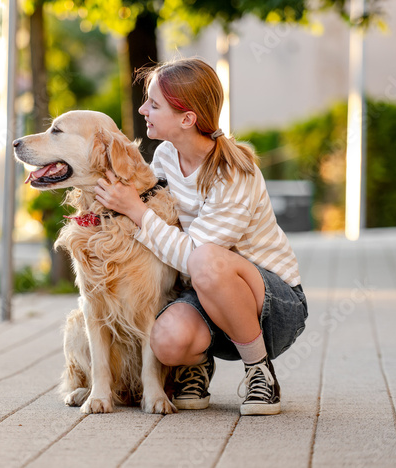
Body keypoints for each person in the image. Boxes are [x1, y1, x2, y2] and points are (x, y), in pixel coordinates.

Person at [95, 57, 307, 416]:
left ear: (187, 119)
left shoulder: (233, 172)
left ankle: (260, 371)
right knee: (166, 341)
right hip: (206, 296)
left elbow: (192, 254)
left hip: (273, 307)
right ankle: (194, 364)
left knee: (206, 259)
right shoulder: (165, 155)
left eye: (154, 104)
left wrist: (135, 210)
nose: (143, 109)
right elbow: (154, 214)